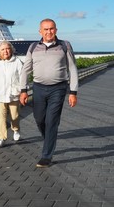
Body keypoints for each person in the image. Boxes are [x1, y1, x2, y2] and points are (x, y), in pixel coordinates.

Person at [19, 18, 78, 168]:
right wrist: (23, 90)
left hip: (58, 88)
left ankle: (46, 156)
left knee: (51, 121)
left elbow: (72, 68)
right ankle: (49, 140)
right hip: (38, 88)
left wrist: (73, 91)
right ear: (40, 31)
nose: (49, 32)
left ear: (56, 30)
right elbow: (26, 69)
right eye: (45, 29)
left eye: (51, 29)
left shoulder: (64, 45)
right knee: (39, 120)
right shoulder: (33, 47)